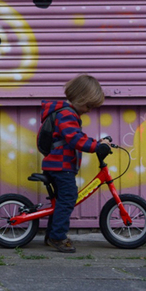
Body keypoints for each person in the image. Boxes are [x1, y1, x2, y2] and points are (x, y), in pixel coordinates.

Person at [39, 74, 111, 253]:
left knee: (60, 201)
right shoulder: (67, 115)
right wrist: (96, 147)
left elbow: (78, 137)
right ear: (79, 98)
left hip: (59, 165)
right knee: (68, 198)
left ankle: (51, 235)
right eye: (88, 106)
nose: (89, 110)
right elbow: (75, 139)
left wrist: (97, 142)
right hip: (60, 167)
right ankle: (58, 237)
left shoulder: (67, 114)